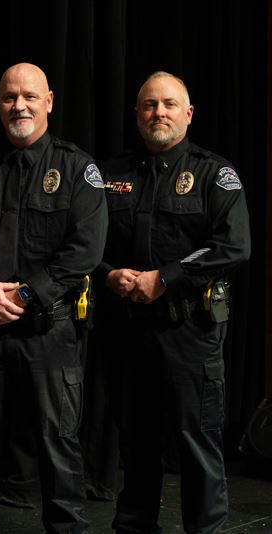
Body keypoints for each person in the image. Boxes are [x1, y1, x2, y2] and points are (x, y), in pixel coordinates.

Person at [0, 62, 107, 533]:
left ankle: (66, 527)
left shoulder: (77, 169)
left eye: (30, 97)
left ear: (49, 101)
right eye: (10, 97)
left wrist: (28, 294)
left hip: (48, 330)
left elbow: (85, 251)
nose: (20, 106)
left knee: (58, 440)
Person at [97, 71, 250, 533]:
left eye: (167, 104)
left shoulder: (214, 173)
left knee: (197, 446)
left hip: (191, 333)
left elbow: (234, 245)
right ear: (137, 115)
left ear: (188, 114)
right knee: (136, 446)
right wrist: (108, 275)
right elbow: (85, 242)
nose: (157, 113)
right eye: (148, 105)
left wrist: (165, 278)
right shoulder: (110, 175)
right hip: (130, 334)